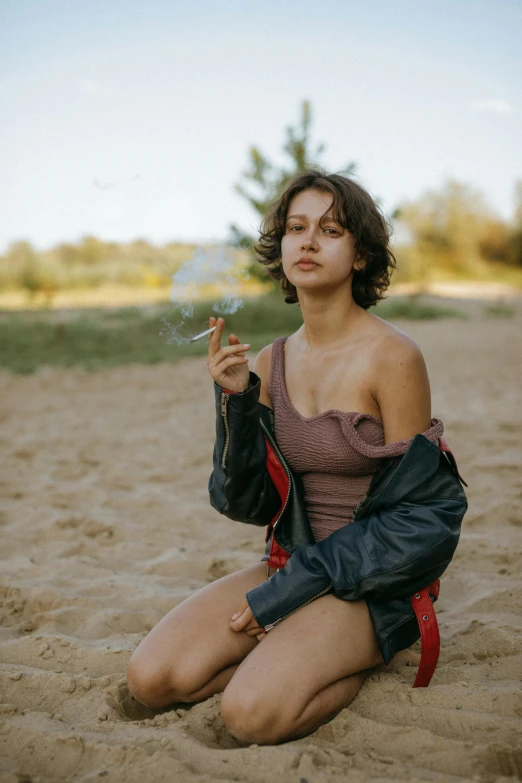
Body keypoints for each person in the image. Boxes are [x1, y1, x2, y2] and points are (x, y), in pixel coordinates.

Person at [127, 169, 467, 746]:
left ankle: (343, 659)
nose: (308, 242)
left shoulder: (394, 357)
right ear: (280, 247)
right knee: (152, 679)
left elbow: (424, 521)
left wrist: (295, 591)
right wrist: (235, 402)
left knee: (249, 716)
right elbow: (245, 500)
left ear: (360, 255)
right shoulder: (272, 360)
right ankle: (295, 654)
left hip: (373, 582)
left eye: (330, 230)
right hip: (292, 565)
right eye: (296, 228)